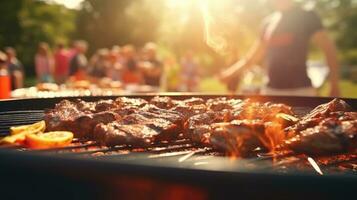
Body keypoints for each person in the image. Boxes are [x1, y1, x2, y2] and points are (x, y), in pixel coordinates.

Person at [220, 0, 340, 97]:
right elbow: (253, 57)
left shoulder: (307, 16)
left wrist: (334, 85)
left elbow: (329, 50)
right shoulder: (267, 22)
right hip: (271, 91)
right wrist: (230, 73)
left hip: (301, 90)